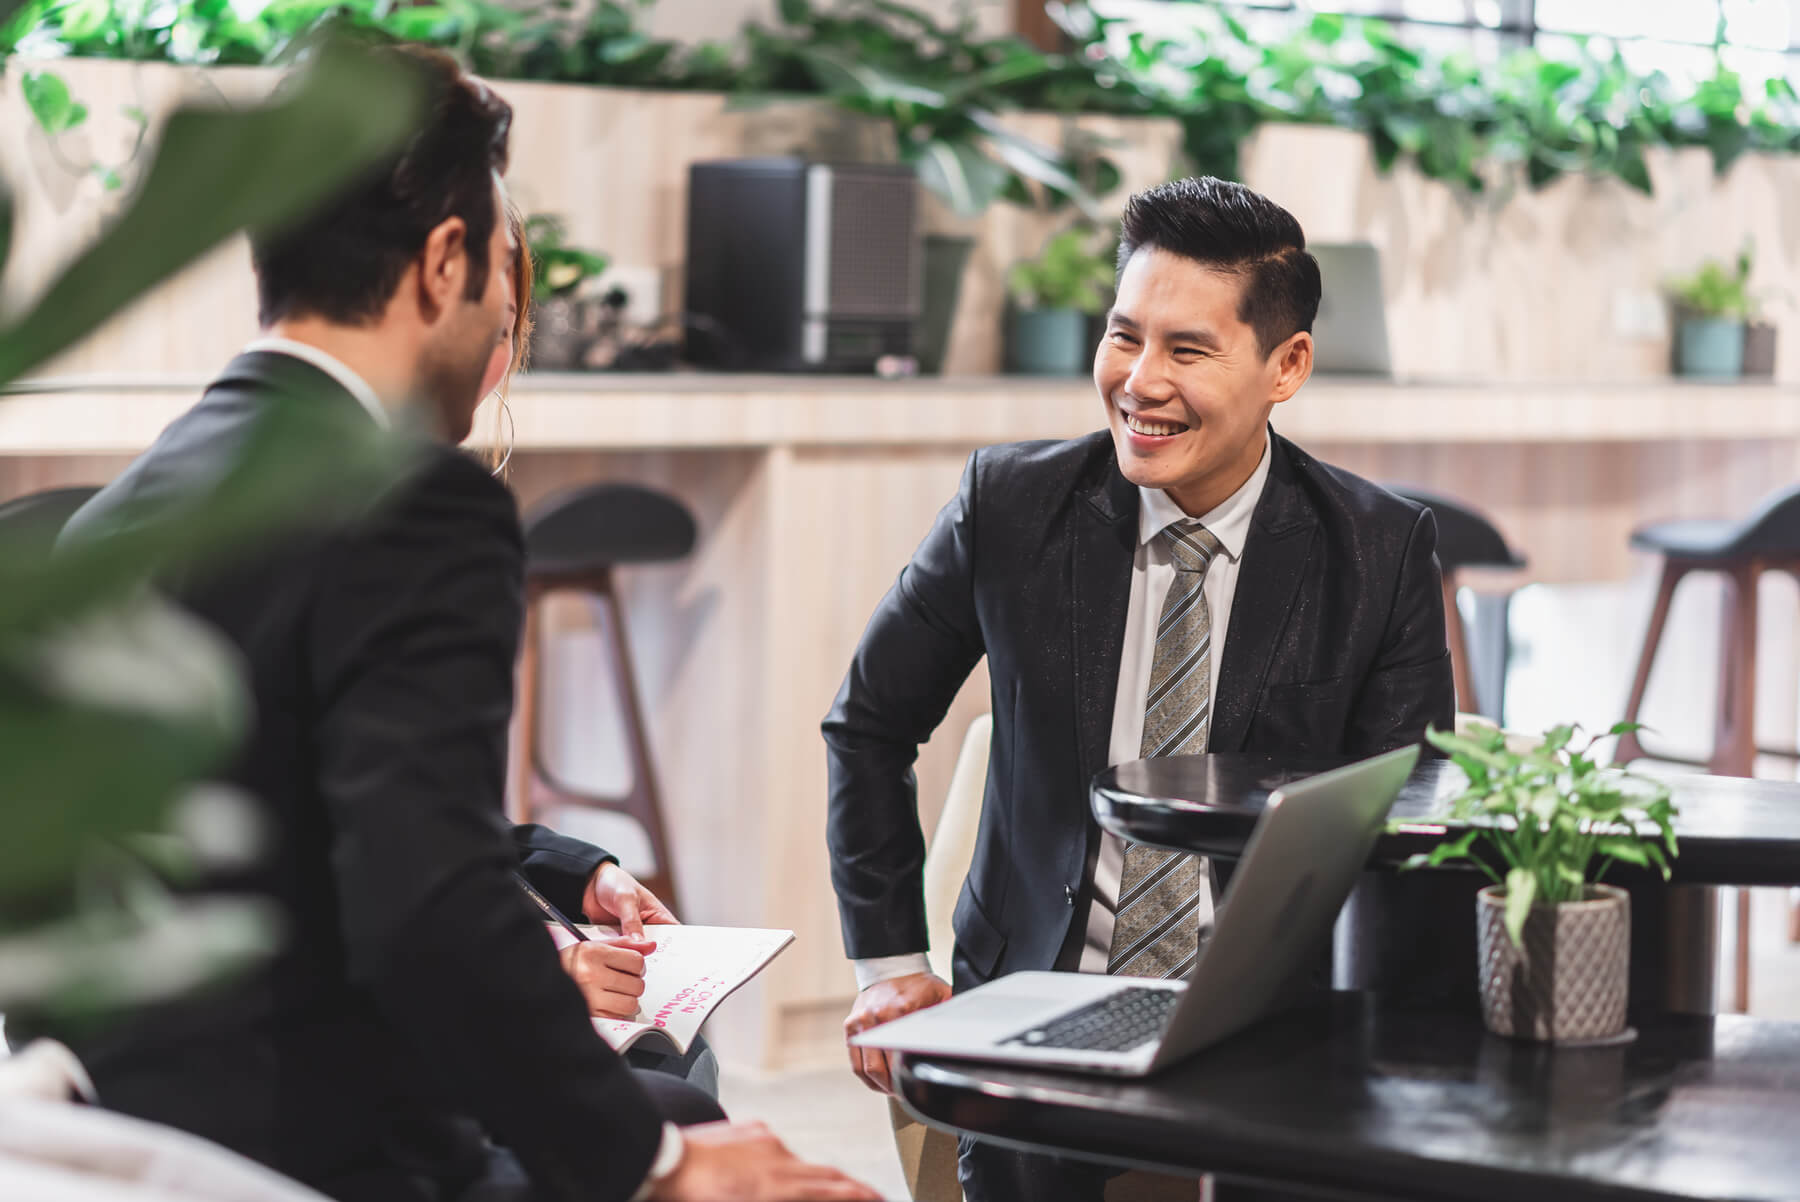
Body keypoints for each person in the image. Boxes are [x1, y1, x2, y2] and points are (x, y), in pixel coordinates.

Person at [51, 45, 877, 1202]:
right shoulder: (411, 498)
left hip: (123, 1140)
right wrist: (657, 1166)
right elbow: (424, 905)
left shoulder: (119, 512)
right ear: (446, 262)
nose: (501, 312)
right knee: (737, 1147)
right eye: (497, 272)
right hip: (329, 1153)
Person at [824, 176, 1454, 1202]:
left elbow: (1410, 815)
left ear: (1287, 364)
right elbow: (868, 723)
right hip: (1038, 1010)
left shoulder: (1377, 551)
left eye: (1188, 350)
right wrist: (889, 964)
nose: (1140, 381)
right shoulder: (1011, 505)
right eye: (1124, 336)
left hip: (1271, 1032)